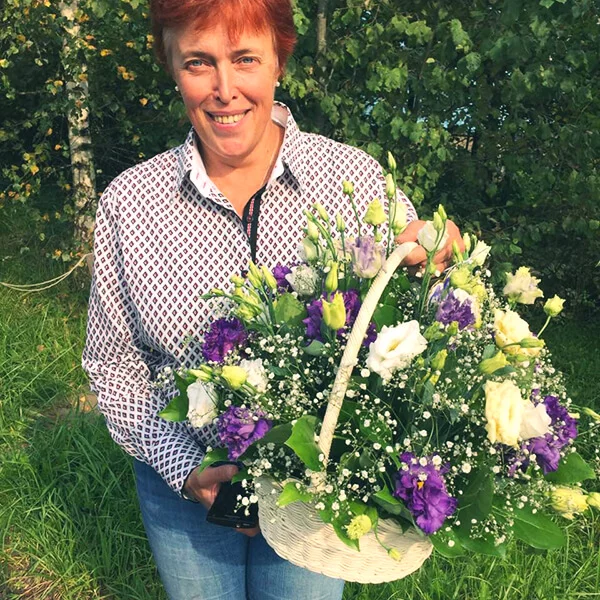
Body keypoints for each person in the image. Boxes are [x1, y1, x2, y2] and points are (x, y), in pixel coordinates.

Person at [82, 1, 463, 598]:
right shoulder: (131, 202)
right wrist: (185, 467)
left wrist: (440, 263)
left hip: (317, 496)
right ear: (173, 68)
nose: (224, 89)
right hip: (184, 486)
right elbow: (113, 364)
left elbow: (417, 321)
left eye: (245, 59)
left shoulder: (353, 181)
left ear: (279, 61)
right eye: (198, 62)